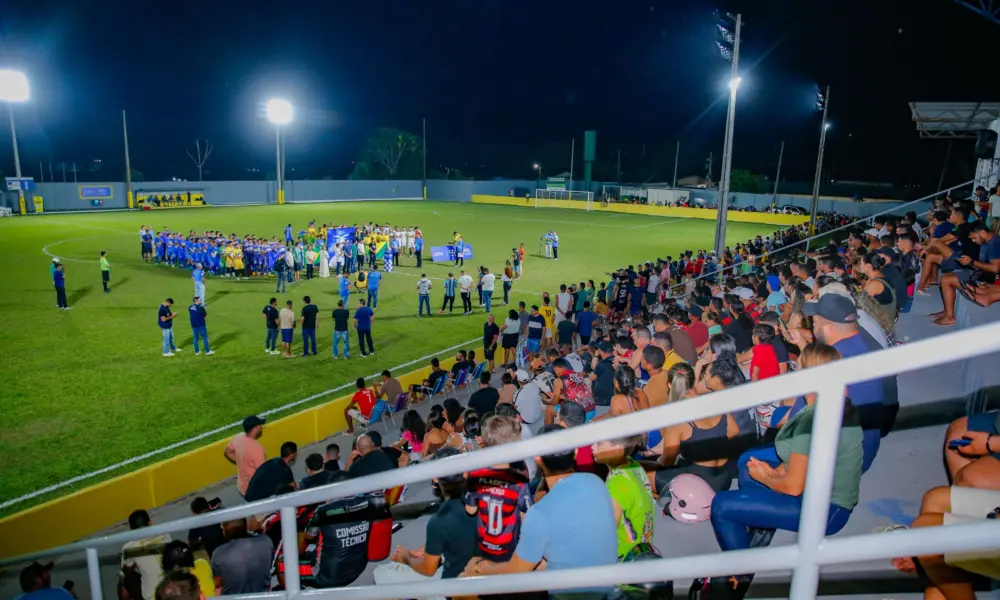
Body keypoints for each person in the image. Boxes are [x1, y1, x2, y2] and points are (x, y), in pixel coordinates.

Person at [711, 343, 862, 561]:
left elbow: (792, 487)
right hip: (815, 491)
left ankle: (741, 569)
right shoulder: (833, 401)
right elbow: (801, 457)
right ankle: (761, 522)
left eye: (797, 367)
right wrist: (775, 472)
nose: (793, 371)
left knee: (721, 505)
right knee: (747, 469)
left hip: (824, 510)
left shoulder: (812, 420)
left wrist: (765, 477)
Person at [464, 425, 618, 591]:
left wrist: (480, 567)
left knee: (466, 577)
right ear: (575, 452)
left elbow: (515, 572)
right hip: (607, 586)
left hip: (570, 594)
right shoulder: (596, 481)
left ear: (537, 459)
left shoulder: (539, 514)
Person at [388, 448, 477, 581]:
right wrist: (426, 548)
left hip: (461, 582)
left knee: (383, 573)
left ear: (435, 478)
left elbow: (428, 570)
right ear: (465, 473)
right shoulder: (486, 497)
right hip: (493, 572)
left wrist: (406, 557)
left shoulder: (439, 520)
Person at [653, 363, 738, 493]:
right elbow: (734, 431)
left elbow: (668, 460)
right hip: (724, 477)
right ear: (694, 382)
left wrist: (656, 460)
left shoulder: (678, 419)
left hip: (701, 485)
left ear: (670, 385)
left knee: (646, 472)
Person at [593, 433, 655, 559]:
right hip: (643, 547)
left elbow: (607, 534)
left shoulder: (616, 485)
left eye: (598, 443)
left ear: (618, 448)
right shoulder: (633, 464)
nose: (592, 446)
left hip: (624, 555)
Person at [210, 519, 273, 595]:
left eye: (224, 525)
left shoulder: (219, 553)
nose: (221, 527)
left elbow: (217, 582)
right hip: (264, 595)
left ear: (228, 528)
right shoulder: (266, 541)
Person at [120, 509, 172, 600]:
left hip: (152, 596)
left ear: (132, 529)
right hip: (172, 590)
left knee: (122, 579)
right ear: (150, 522)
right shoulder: (165, 535)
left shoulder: (130, 547)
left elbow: (127, 572)